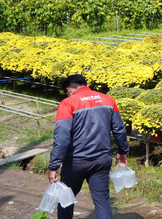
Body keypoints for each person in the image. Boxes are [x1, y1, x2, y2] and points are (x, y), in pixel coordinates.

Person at [49, 74, 129, 219]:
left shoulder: (67, 103)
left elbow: (62, 137)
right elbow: (119, 129)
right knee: (102, 201)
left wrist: (54, 165)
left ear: (69, 89)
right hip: (102, 160)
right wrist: (123, 151)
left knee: (66, 200)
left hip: (76, 162)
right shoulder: (108, 100)